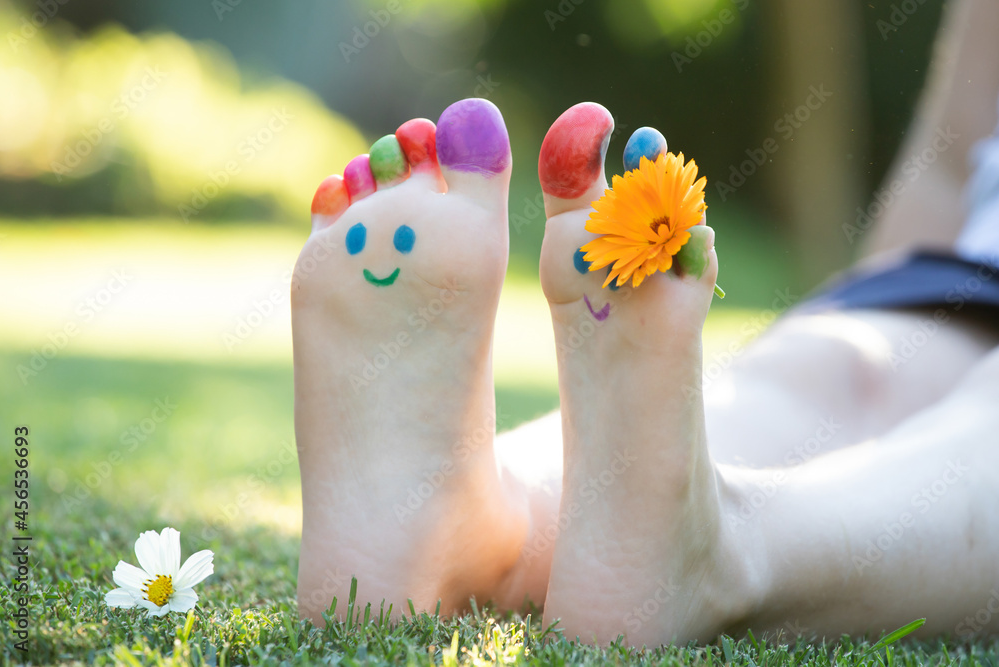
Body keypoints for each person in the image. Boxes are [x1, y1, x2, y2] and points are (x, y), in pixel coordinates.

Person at [291, 0, 999, 645]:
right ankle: (484, 525)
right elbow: (950, 162)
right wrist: (880, 310)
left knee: (972, 435)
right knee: (837, 371)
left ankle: (718, 552)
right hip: (961, 268)